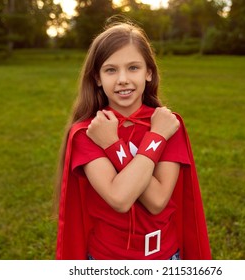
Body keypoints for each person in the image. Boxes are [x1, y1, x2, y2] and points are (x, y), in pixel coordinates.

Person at [55, 20, 211, 260]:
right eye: (111, 70)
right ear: (97, 77)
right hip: (107, 259)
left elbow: (157, 201)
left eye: (133, 68)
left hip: (165, 256)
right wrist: (147, 140)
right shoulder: (88, 132)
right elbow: (120, 198)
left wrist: (116, 145)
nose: (123, 79)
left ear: (149, 72)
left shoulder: (167, 125)